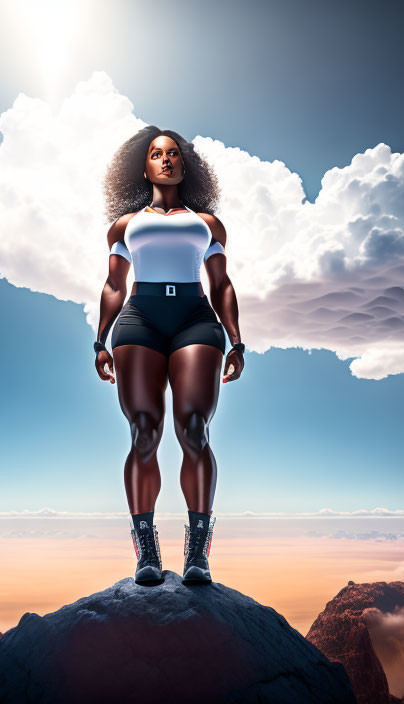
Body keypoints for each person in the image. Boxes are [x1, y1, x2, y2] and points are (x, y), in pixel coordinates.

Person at [95, 126, 244, 585]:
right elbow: (115, 285)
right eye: (156, 154)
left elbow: (220, 284)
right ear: (143, 167)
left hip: (195, 319)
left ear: (184, 165)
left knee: (194, 428)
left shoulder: (208, 223)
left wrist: (236, 339)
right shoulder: (124, 225)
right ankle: (146, 549)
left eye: (174, 154)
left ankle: (198, 549)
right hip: (139, 319)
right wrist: (100, 339)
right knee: (144, 431)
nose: (165, 160)